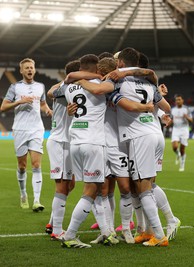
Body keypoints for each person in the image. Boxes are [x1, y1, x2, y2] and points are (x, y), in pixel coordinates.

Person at [78, 48, 168, 247]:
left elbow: (143, 93)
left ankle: (132, 229)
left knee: (130, 187)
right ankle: (108, 231)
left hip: (124, 141)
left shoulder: (118, 84)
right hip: (102, 141)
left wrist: (156, 112)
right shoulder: (105, 84)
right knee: (105, 189)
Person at [53, 54, 117, 248]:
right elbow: (100, 88)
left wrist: (75, 78)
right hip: (94, 142)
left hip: (76, 143)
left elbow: (54, 92)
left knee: (95, 189)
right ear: (96, 68)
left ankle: (106, 232)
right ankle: (70, 234)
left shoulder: (68, 87)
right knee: (91, 191)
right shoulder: (102, 83)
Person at [0, 58, 52, 211]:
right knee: (22, 166)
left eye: (31, 67)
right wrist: (19, 102)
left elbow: (42, 104)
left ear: (34, 70)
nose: (29, 70)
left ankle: (37, 200)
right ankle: (23, 194)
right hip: (20, 129)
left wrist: (47, 110)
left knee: (36, 164)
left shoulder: (40, 86)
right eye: (26, 68)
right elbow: (3, 107)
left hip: (37, 129)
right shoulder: (15, 87)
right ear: (21, 71)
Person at [44, 60, 80, 240]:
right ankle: (57, 230)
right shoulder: (65, 89)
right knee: (62, 185)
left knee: (70, 184)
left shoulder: (67, 88)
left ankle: (52, 222)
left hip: (69, 142)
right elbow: (51, 91)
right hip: (59, 141)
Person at [170, 94, 193, 172]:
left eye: (179, 99)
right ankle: (177, 154)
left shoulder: (186, 109)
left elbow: (191, 120)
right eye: (176, 100)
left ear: (182, 100)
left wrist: (186, 117)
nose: (178, 101)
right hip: (175, 129)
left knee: (182, 149)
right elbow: (171, 119)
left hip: (184, 130)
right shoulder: (173, 109)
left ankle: (182, 164)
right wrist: (169, 123)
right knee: (174, 147)